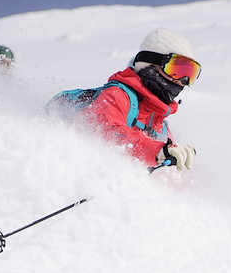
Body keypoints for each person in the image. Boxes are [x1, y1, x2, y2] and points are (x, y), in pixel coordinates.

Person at [76, 28, 199, 171]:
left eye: (190, 73)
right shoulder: (116, 95)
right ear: (151, 63)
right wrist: (157, 151)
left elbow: (164, 174)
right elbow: (107, 132)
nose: (182, 81)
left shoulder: (161, 126)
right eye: (176, 70)